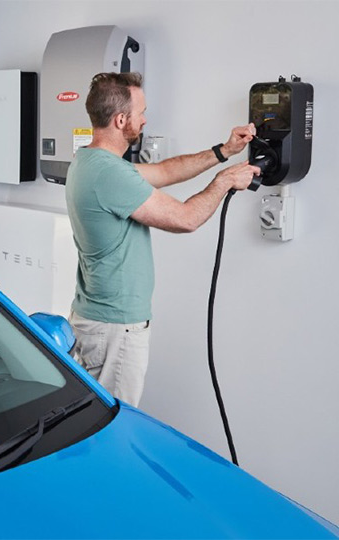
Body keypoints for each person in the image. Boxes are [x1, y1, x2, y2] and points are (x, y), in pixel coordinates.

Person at [65, 72, 260, 407]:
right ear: (121, 119)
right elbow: (186, 219)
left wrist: (224, 151)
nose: (145, 119)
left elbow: (167, 171)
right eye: (141, 112)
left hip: (99, 322)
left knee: (96, 420)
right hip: (115, 328)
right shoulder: (108, 174)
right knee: (114, 429)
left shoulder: (92, 162)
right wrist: (225, 181)